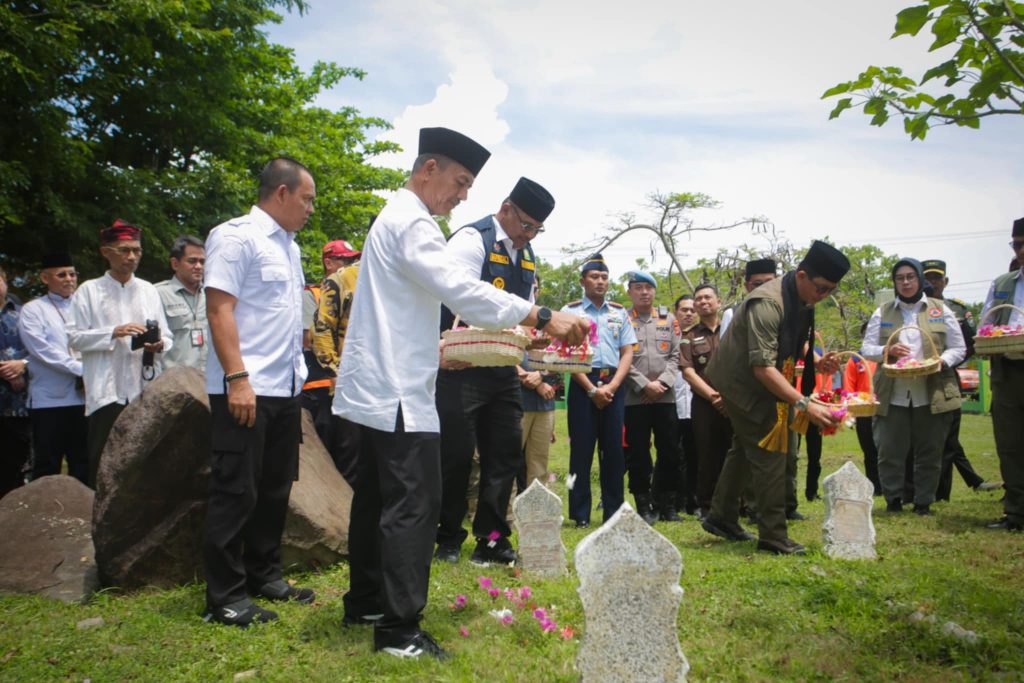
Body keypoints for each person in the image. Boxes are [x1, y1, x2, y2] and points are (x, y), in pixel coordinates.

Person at [332, 127, 588, 660]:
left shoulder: (398, 217)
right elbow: (462, 290)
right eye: (460, 181)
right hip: (400, 387)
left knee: (376, 496)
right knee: (413, 504)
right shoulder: (414, 224)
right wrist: (540, 314)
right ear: (430, 169)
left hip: (382, 382)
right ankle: (399, 632)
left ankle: (367, 601)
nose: (463, 194)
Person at [201, 157, 318, 628]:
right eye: (307, 199)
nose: (311, 208)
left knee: (274, 487)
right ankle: (224, 595)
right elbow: (219, 310)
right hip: (245, 388)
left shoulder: (289, 247)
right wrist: (237, 378)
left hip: (285, 388)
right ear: (282, 193)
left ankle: (263, 574)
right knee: (236, 491)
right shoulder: (235, 236)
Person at [434, 176, 556, 566]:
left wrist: (529, 336)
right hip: (461, 366)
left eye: (537, 229)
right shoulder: (472, 240)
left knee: (503, 456)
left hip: (502, 369)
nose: (529, 235)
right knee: (453, 456)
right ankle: (447, 537)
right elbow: (460, 297)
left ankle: (490, 538)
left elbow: (523, 309)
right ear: (506, 209)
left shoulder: (527, 253)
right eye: (526, 225)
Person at [701, 241, 849, 555]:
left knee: (744, 447)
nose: (822, 297)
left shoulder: (802, 299)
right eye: (820, 289)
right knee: (771, 448)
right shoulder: (768, 303)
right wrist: (804, 403)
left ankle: (721, 516)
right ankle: (773, 535)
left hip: (763, 377)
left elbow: (793, 340)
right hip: (741, 381)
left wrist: (817, 361)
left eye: (829, 291)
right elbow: (762, 367)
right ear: (802, 276)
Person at [69, 220, 172, 488]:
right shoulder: (88, 291)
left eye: (137, 251)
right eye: (124, 250)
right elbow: (74, 338)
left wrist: (158, 344)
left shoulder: (149, 290)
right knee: (104, 457)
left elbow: (167, 335)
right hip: (107, 389)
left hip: (144, 385)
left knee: (145, 455)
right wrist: (114, 332)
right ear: (106, 251)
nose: (131, 257)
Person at [860, 258, 966, 516]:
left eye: (910, 277)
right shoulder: (883, 312)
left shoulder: (940, 309)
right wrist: (887, 350)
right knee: (889, 450)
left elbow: (959, 347)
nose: (905, 282)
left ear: (920, 279)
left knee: (930, 450)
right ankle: (893, 499)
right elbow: (867, 348)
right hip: (893, 393)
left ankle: (923, 502)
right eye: (899, 278)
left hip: (931, 391)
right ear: (894, 282)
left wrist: (942, 361)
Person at [562, 253, 637, 528]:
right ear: (583, 281)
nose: (600, 282)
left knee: (614, 452)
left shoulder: (618, 312)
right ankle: (579, 513)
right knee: (580, 452)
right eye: (594, 277)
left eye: (604, 277)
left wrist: (614, 385)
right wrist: (592, 389)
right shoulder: (570, 312)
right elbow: (566, 355)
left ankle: (613, 512)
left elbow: (627, 351)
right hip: (584, 384)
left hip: (614, 385)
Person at [921, 259, 1001, 497]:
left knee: (949, 434)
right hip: (915, 377)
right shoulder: (913, 308)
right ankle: (969, 480)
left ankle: (943, 491)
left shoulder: (956, 310)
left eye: (937, 278)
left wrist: (946, 360)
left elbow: (970, 345)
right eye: (927, 277)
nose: (932, 282)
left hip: (946, 375)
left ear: (945, 282)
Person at [17, 253, 88, 484]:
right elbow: (42, 351)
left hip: (85, 399)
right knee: (47, 467)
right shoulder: (33, 310)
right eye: (62, 275)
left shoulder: (86, 306)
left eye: (72, 274)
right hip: (50, 401)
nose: (69, 279)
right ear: (45, 278)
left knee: (84, 464)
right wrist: (80, 368)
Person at [622, 270, 681, 524]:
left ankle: (666, 504)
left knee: (669, 450)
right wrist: (645, 386)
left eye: (648, 287)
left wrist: (660, 384)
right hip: (636, 399)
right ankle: (643, 505)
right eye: (638, 288)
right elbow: (621, 357)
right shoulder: (622, 320)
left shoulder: (669, 319)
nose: (644, 292)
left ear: (654, 291)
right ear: (629, 292)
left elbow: (676, 357)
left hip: (664, 397)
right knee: (638, 452)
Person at [311, 237, 364, 485]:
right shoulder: (339, 281)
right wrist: (337, 371)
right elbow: (322, 329)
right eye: (345, 258)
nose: (349, 262)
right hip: (345, 383)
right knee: (347, 456)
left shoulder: (388, 280)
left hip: (378, 383)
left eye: (352, 258)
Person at [983, 218, 1024, 531]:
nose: (1021, 250)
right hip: (1007, 371)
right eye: (1017, 245)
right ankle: (1015, 512)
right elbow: (986, 324)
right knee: (1009, 443)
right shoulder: (1002, 283)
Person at [680, 283, 732, 519]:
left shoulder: (734, 330)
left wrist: (729, 397)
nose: (702, 302)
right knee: (707, 454)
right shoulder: (689, 337)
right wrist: (713, 396)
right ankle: (707, 506)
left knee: (735, 452)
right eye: (698, 299)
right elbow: (688, 372)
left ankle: (737, 504)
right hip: (704, 403)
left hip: (735, 402)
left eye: (707, 297)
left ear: (718, 302)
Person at [156, 235, 208, 371]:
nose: (198, 266)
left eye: (202, 262)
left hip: (210, 382)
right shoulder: (157, 294)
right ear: (175, 264)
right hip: (173, 384)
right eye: (192, 261)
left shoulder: (212, 295)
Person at [0, 265, 30, 498]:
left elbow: (44, 349)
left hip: (20, 404)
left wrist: (23, 365)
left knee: (18, 464)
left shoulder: (24, 314)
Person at [842, 328, 881, 494]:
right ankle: (875, 487)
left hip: (883, 410)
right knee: (869, 450)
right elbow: (849, 386)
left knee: (888, 450)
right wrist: (850, 413)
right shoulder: (856, 359)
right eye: (867, 334)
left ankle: (893, 485)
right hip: (863, 411)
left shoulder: (886, 356)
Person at [672, 294, 698, 515]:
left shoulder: (701, 337)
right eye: (684, 310)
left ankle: (694, 501)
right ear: (675, 312)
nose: (689, 314)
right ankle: (673, 500)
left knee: (695, 454)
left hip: (696, 404)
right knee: (673, 455)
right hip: (672, 404)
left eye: (692, 310)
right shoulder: (669, 336)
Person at [719, 258, 777, 339]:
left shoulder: (787, 311)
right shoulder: (732, 315)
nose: (765, 288)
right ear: (747, 286)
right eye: (758, 284)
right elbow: (724, 349)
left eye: (769, 283)